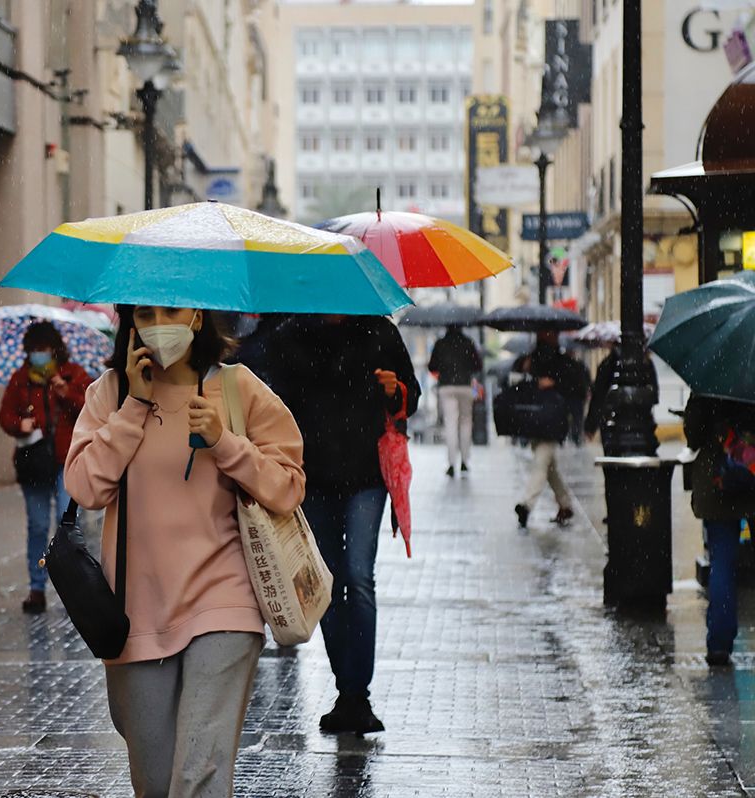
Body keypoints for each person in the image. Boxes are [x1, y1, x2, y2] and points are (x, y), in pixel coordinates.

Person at [64, 305, 305, 796]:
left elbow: (287, 488)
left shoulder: (240, 389)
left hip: (225, 604)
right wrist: (134, 407)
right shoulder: (108, 394)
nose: (159, 325)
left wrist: (224, 442)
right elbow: (86, 488)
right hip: (135, 616)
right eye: (145, 314)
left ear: (196, 316)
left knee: (199, 776)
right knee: (155, 784)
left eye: (170, 310)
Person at [256, 315, 419, 736]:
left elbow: (410, 396)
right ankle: (347, 692)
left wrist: (395, 390)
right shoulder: (291, 333)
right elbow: (271, 402)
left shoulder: (379, 331)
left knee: (360, 577)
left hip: (367, 476)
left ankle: (357, 693)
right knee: (326, 585)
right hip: (315, 478)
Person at [0, 321, 92, 614]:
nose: (39, 354)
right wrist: (19, 424)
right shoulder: (21, 379)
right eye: (34, 349)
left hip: (67, 462)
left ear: (55, 349)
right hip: (34, 463)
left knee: (69, 526)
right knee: (37, 525)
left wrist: (67, 394)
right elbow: (5, 416)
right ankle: (36, 588)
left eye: (44, 348)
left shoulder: (73, 374)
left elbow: (92, 409)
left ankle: (76, 587)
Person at [683, 393, 755, 667]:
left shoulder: (709, 377)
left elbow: (694, 435)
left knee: (722, 564)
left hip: (719, 483)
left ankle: (719, 644)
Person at [512, 330, 583, 528]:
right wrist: (525, 367)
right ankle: (565, 504)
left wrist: (554, 383)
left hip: (553, 419)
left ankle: (526, 505)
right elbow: (518, 380)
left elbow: (575, 387)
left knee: (541, 462)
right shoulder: (532, 358)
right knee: (550, 467)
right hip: (537, 418)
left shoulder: (561, 361)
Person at [427, 325, 482, 476]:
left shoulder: (440, 343)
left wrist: (444, 368)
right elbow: (478, 365)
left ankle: (451, 463)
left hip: (446, 386)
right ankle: (465, 461)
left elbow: (432, 366)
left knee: (450, 423)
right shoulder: (468, 342)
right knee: (466, 422)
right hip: (465, 385)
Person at [583, 345, 659, 443]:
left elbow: (598, 397)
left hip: (615, 421)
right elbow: (654, 394)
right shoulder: (645, 364)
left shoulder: (608, 364)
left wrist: (591, 424)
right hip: (637, 421)